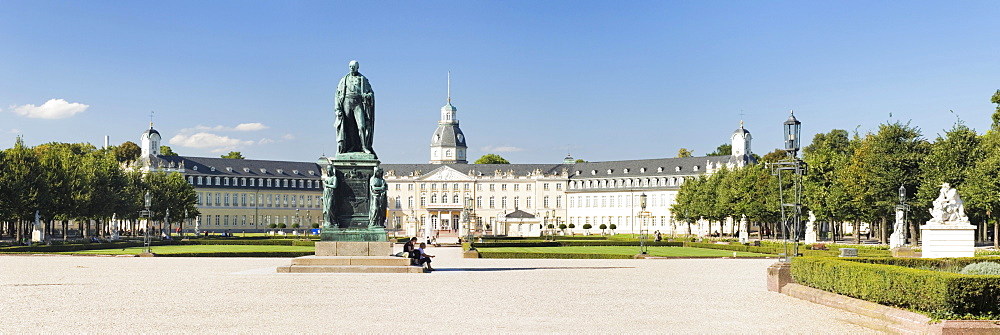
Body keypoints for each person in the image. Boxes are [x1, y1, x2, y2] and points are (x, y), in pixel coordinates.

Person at [334, 60, 376, 157]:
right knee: (349, 127)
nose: (351, 68)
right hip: (346, 102)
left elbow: (371, 92)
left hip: (358, 103)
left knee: (361, 126)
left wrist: (368, 96)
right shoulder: (344, 79)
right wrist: (337, 109)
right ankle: (352, 146)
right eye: (350, 66)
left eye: (353, 66)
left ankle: (364, 147)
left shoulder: (362, 79)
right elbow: (337, 94)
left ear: (357, 67)